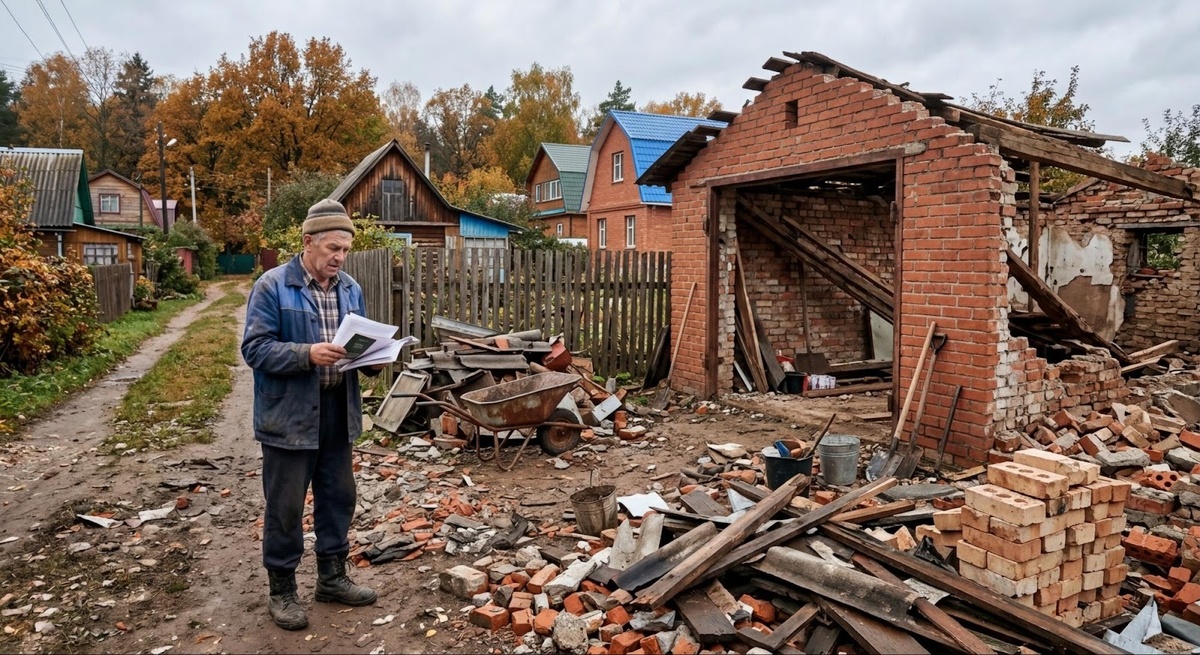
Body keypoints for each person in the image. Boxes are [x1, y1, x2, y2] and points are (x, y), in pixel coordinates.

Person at [241, 199, 382, 630]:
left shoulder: (350, 288)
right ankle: (282, 590)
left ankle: (332, 578)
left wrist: (373, 358)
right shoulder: (272, 286)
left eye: (345, 250)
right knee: (284, 507)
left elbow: (356, 343)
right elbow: (255, 349)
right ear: (308, 242)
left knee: (339, 498)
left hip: (338, 411)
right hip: (288, 417)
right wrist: (307, 354)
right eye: (333, 248)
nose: (339, 258)